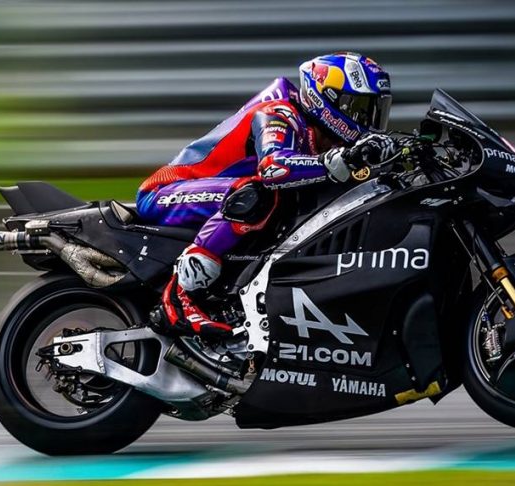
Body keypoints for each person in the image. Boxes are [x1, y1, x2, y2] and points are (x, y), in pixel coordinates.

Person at [137, 52, 396, 338]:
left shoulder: (321, 136)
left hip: (210, 197)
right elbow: (274, 168)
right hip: (164, 192)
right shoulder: (279, 113)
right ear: (327, 98)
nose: (366, 120)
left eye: (374, 110)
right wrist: (337, 161)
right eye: (359, 108)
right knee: (257, 193)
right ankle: (179, 296)